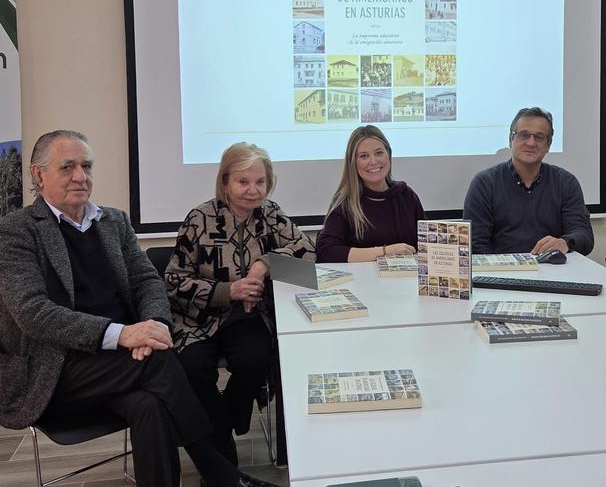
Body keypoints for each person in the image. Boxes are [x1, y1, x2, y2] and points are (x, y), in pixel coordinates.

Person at [0, 130, 274, 487]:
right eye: (67, 167)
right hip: (52, 369)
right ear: (39, 175)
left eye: (86, 166)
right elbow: (33, 312)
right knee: (159, 361)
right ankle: (224, 477)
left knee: (150, 404)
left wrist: (154, 326)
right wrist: (123, 334)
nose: (80, 176)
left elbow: (148, 282)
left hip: (123, 361)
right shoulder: (15, 231)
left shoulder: (113, 221)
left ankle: (218, 476)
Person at [166, 142, 314, 465]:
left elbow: (308, 253)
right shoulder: (199, 218)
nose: (252, 190)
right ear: (225, 182)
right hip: (199, 319)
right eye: (243, 182)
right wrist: (228, 290)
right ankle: (223, 445)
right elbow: (173, 282)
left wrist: (263, 264)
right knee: (192, 366)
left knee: (256, 358)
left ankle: (219, 430)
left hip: (249, 318)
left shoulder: (271, 214)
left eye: (260, 182)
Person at [462, 107, 594, 255]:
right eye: (524, 135)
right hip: (500, 267)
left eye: (539, 137)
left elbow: (584, 236)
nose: (531, 143)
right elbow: (475, 245)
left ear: (548, 145)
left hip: (551, 267)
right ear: (511, 140)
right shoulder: (484, 183)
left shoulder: (565, 182)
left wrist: (565, 242)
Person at [316, 125, 426, 262]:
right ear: (353, 163)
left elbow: (426, 244)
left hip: (406, 275)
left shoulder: (406, 195)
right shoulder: (345, 202)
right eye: (364, 156)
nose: (373, 161)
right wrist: (384, 252)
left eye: (379, 153)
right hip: (361, 276)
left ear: (388, 155)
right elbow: (326, 252)